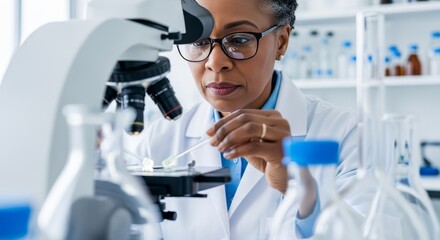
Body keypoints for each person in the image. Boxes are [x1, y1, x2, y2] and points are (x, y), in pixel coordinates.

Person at [133, 0, 373, 239]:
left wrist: (297, 186)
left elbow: (374, 232)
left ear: (281, 41)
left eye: (238, 39)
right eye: (199, 42)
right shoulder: (160, 139)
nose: (215, 63)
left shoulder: (350, 135)